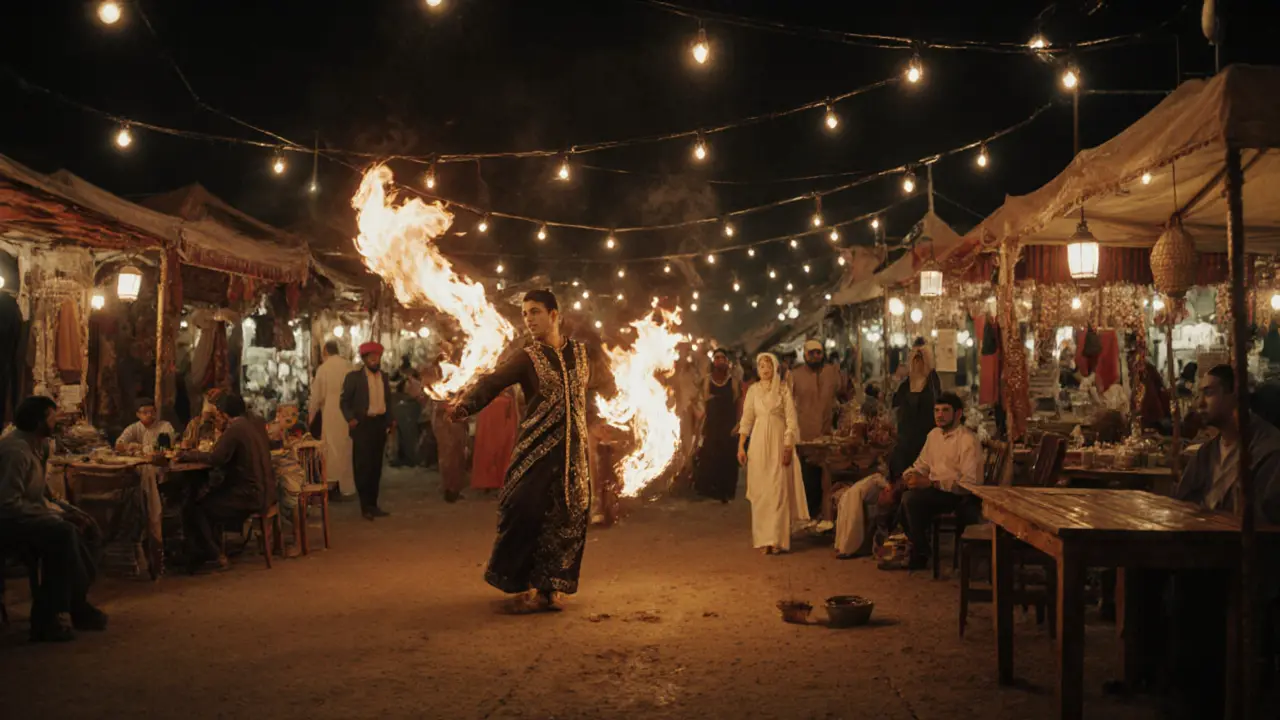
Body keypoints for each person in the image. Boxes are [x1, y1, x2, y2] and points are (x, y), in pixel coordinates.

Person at [448, 290, 611, 613]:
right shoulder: (527, 358)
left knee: (569, 517)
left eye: (535, 311)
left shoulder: (580, 355)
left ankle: (550, 590)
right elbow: (494, 381)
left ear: (554, 315)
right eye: (525, 313)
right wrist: (466, 405)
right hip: (536, 452)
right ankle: (524, 587)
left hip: (573, 455)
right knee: (525, 511)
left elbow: (606, 382)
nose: (529, 319)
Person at [0, 396, 108, 641]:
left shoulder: (40, 446)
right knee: (62, 533)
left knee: (86, 528)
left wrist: (71, 511)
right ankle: (47, 619)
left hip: (29, 516)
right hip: (8, 522)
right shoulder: (15, 452)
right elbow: (7, 503)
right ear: (39, 422)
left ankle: (76, 603)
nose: (57, 421)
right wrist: (55, 516)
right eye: (52, 417)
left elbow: (44, 496)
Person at [178, 393, 273, 572]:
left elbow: (216, 458)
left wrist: (187, 455)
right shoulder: (252, 424)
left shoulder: (235, 429)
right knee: (205, 498)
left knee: (195, 508)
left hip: (248, 495)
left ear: (224, 414)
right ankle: (205, 551)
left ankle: (216, 556)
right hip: (264, 491)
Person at [897, 392, 981, 571]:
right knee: (901, 494)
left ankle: (921, 551)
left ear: (958, 414)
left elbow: (969, 483)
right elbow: (922, 464)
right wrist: (908, 476)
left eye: (945, 410)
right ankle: (916, 546)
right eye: (936, 410)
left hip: (957, 495)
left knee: (911, 500)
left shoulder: (967, 440)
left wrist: (932, 484)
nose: (939, 415)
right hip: (934, 490)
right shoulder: (934, 435)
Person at [738, 352, 810, 554]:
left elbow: (791, 421)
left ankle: (777, 539)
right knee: (762, 493)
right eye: (761, 366)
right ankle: (764, 540)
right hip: (758, 446)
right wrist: (741, 446)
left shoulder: (783, 390)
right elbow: (747, 419)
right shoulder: (753, 391)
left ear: (775, 367)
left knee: (778, 490)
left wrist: (788, 445)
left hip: (778, 445)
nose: (765, 369)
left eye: (768, 365)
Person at [789, 339, 843, 519]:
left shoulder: (832, 373)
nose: (815, 356)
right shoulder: (794, 375)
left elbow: (844, 395)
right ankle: (810, 517)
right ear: (805, 355)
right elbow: (787, 404)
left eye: (818, 353)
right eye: (811, 353)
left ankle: (824, 517)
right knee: (808, 478)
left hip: (827, 435)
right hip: (805, 435)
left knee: (827, 480)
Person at [341, 342, 394, 521]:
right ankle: (365, 506)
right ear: (364, 359)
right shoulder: (354, 378)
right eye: (371, 357)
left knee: (376, 467)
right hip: (363, 425)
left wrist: (390, 420)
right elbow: (344, 401)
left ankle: (373, 504)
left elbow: (388, 401)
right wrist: (351, 419)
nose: (374, 360)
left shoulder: (384, 377)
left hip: (379, 424)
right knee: (363, 466)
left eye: (377, 357)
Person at [308, 341, 356, 499]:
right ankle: (346, 487)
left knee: (331, 448)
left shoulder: (324, 368)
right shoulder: (349, 366)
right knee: (346, 448)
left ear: (325, 352)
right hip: (348, 414)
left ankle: (331, 485)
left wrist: (311, 416)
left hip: (331, 413)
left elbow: (316, 396)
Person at [694, 348, 742, 502]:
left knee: (728, 457)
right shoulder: (707, 380)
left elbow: (738, 402)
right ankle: (711, 490)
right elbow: (701, 402)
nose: (720, 361)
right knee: (711, 455)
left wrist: (739, 423)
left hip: (729, 425)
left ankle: (726, 491)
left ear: (727, 361)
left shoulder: (733, 381)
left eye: (723, 358)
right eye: (717, 358)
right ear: (713, 362)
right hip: (712, 425)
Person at [888, 346, 942, 481]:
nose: (918, 364)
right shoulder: (905, 384)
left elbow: (936, 405)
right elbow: (895, 405)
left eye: (921, 360)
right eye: (915, 360)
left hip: (924, 437)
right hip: (904, 437)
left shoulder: (932, 382)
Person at [428, 348, 470, 502]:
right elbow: (437, 403)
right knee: (448, 455)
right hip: (444, 422)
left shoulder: (458, 377)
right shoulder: (436, 381)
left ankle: (456, 488)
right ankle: (449, 489)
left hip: (458, 421)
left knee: (459, 454)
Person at [471, 385, 520, 493]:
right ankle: (487, 483)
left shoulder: (508, 395)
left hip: (501, 424)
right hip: (491, 425)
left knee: (499, 452)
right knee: (488, 452)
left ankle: (496, 482)